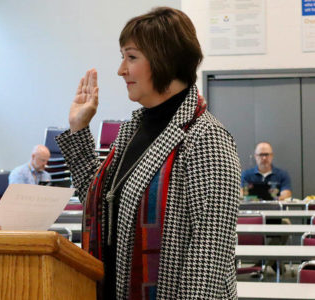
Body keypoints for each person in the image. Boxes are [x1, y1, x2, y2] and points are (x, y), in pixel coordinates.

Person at [56, 7, 240, 299]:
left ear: (163, 58)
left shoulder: (205, 137)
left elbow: (209, 254)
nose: (121, 70)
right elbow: (101, 199)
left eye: (131, 57)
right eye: (122, 57)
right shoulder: (132, 129)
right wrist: (79, 129)